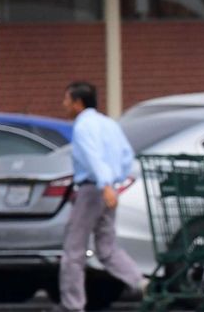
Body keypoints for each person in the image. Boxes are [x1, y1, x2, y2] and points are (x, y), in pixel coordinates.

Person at [57, 81, 145, 312]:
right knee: (107, 247)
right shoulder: (109, 124)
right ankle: (139, 281)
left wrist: (104, 183)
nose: (64, 104)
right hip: (109, 190)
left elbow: (92, 156)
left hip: (91, 189)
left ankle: (72, 305)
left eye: (67, 100)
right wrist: (114, 183)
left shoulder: (83, 126)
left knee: (73, 250)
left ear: (78, 103)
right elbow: (126, 156)